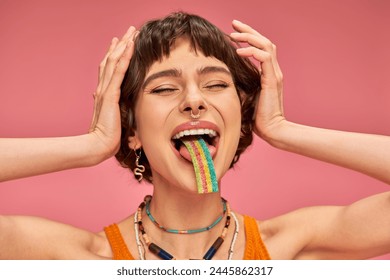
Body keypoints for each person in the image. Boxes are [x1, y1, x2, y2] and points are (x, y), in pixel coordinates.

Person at [0, 12, 389, 260]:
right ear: (131, 130)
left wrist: (284, 131)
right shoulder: (78, 258)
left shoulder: (287, 247)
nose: (193, 101)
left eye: (215, 84)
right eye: (165, 89)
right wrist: (93, 143)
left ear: (242, 116)